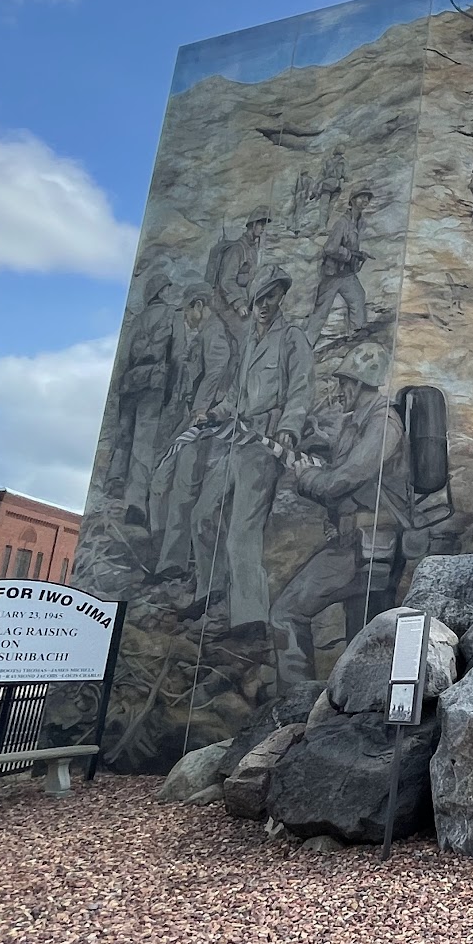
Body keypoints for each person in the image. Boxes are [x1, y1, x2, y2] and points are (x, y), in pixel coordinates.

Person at [270, 342, 409, 691]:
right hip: (355, 544)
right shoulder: (355, 423)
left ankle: (296, 701)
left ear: (362, 383)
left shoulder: (384, 422)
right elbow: (339, 472)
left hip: (371, 547)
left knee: (286, 613)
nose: (340, 390)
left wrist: (307, 479)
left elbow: (344, 479)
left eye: (346, 382)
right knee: (361, 644)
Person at [190, 264, 313, 636]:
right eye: (258, 298)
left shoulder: (292, 338)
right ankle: (210, 592)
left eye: (270, 297)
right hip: (234, 437)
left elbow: (300, 391)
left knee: (242, 532)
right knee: (202, 514)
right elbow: (234, 396)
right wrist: (213, 414)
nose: (263, 305)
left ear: (280, 297)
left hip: (264, 443)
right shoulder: (248, 342)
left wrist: (289, 431)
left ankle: (250, 618)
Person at [151, 283, 234, 582]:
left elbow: (216, 370)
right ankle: (170, 558)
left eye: (188, 309)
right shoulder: (208, 332)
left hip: (205, 422)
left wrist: (200, 411)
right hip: (196, 418)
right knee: (169, 484)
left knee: (184, 488)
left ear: (198, 305)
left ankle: (174, 563)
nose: (187, 316)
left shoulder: (215, 333)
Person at [107, 272, 178, 527]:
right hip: (154, 382)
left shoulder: (137, 321)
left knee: (125, 436)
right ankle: (135, 504)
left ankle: (115, 482)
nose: (170, 292)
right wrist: (171, 390)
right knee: (143, 443)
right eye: (167, 288)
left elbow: (123, 358)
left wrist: (119, 386)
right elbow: (177, 356)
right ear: (160, 292)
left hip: (131, 381)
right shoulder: (172, 315)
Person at [306, 187, 372, 345]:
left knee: (358, 298)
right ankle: (307, 343)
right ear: (352, 200)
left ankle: (356, 334)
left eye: (367, 198)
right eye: (360, 197)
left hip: (346, 274)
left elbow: (350, 246)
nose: (364, 201)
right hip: (332, 275)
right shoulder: (342, 223)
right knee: (321, 312)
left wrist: (359, 255)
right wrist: (349, 255)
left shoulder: (359, 222)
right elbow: (330, 248)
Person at [208, 207, 269, 339]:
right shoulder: (237, 249)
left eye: (264, 225)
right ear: (253, 225)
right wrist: (239, 303)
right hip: (226, 305)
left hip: (242, 303)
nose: (263, 228)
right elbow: (226, 280)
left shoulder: (252, 249)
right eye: (261, 224)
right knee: (247, 333)